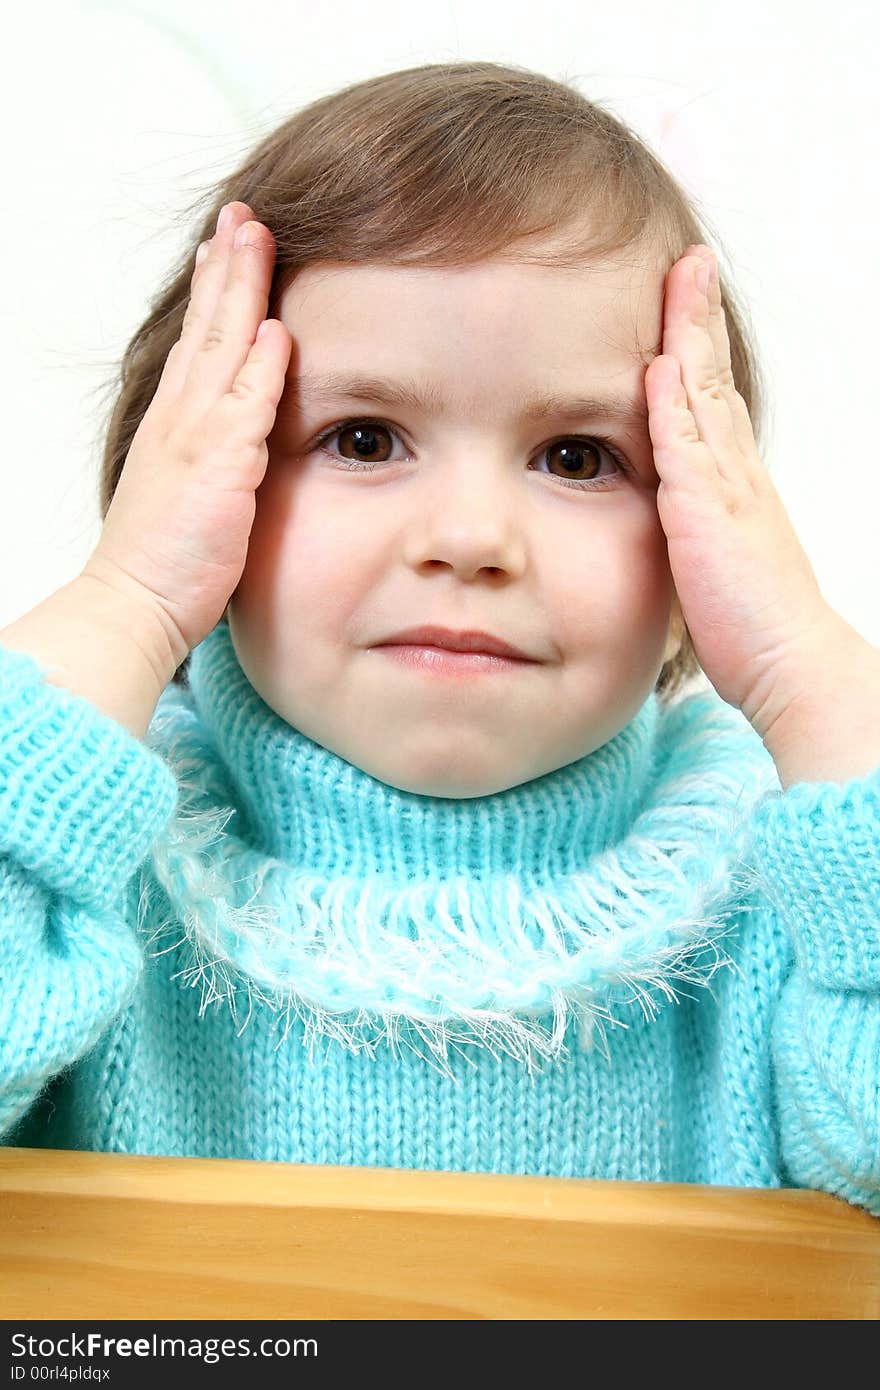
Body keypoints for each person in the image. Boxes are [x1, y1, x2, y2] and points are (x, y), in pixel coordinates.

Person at [1, 61, 878, 1216]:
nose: (470, 538)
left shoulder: (793, 896)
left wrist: (801, 667)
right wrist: (127, 593)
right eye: (364, 438)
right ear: (201, 480)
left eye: (577, 457)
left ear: (698, 542)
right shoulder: (85, 863)